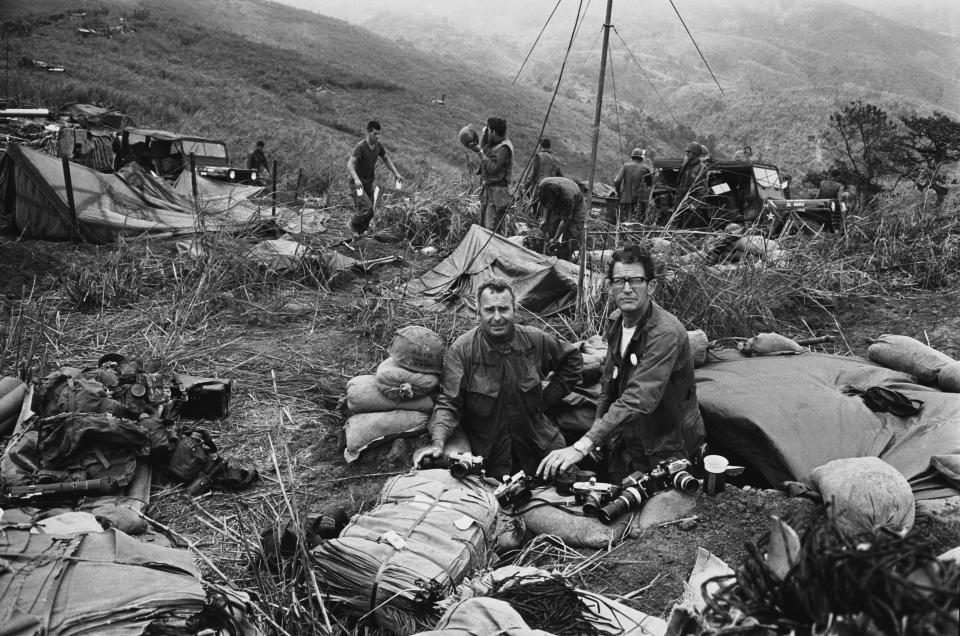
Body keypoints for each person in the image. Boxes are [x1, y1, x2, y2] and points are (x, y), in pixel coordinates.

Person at [538, 244, 705, 483]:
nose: (627, 289)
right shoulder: (617, 321)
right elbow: (609, 383)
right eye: (619, 281)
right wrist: (598, 428)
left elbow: (640, 397)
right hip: (629, 437)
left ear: (652, 286)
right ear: (610, 287)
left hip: (668, 444)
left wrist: (583, 445)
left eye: (635, 280)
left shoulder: (664, 334)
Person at [414, 278, 583, 479]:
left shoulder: (536, 340)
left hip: (537, 443)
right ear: (478, 312)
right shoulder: (462, 351)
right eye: (489, 310)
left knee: (570, 485)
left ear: (515, 310)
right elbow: (449, 402)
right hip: (490, 454)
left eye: (503, 309)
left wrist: (546, 399)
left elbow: (572, 361)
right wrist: (438, 442)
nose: (497, 317)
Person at [347, 120, 402, 238]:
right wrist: (356, 179)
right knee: (366, 208)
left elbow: (386, 159)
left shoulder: (378, 146)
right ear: (368, 133)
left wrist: (396, 173)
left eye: (379, 134)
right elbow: (350, 164)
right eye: (375, 134)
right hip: (357, 184)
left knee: (371, 210)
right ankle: (352, 225)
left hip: (368, 183)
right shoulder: (361, 146)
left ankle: (360, 232)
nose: (377, 136)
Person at [470, 117, 514, 232]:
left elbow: (492, 167)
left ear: (494, 132)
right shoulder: (494, 144)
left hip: (497, 194)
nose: (487, 133)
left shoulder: (504, 149)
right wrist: (483, 135)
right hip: (488, 191)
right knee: (482, 225)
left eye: (489, 131)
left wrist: (480, 153)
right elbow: (484, 147)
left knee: (490, 229)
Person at [536, 176, 585, 262]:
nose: (549, 206)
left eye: (550, 203)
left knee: (570, 234)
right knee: (551, 227)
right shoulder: (542, 186)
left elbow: (565, 220)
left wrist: (555, 238)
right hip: (557, 200)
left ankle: (566, 259)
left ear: (555, 198)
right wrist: (545, 219)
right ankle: (548, 255)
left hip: (577, 204)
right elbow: (545, 204)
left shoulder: (567, 197)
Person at [611, 147, 652, 224]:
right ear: (642, 158)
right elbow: (650, 186)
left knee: (623, 224)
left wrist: (618, 191)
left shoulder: (625, 166)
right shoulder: (646, 169)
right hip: (639, 203)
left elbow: (617, 181)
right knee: (637, 225)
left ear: (632, 157)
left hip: (625, 200)